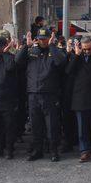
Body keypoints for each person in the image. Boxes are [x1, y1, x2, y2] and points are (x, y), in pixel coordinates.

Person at [15, 28, 66, 162]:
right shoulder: (32, 51)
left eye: (45, 38)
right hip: (33, 94)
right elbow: (18, 62)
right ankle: (38, 150)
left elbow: (61, 62)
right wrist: (27, 45)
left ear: (50, 38)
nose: (42, 41)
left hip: (50, 94)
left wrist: (52, 46)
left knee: (52, 126)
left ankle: (54, 151)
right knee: (36, 125)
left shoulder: (55, 51)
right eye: (40, 38)